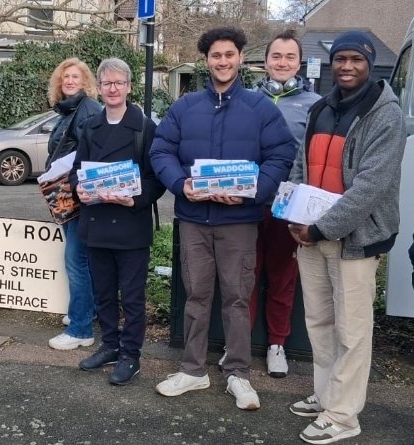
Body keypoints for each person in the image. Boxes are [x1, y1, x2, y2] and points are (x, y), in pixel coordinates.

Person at [151, 27, 296, 410]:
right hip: (195, 219)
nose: (223, 61)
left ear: (240, 57)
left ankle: (238, 373)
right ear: (206, 60)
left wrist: (254, 191)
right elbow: (160, 150)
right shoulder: (184, 108)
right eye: (216, 55)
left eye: (229, 54)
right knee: (197, 296)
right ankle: (193, 370)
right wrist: (181, 185)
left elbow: (282, 154)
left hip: (240, 221)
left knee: (236, 298)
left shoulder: (260, 108)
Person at [287, 31, 406, 444]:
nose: (347, 66)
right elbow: (301, 164)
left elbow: (370, 187)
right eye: (341, 59)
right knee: (320, 321)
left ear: (369, 63)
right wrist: (292, 212)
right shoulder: (323, 105)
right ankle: (325, 396)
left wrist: (320, 227)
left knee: (352, 331)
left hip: (354, 240)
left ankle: (343, 415)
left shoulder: (384, 114)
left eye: (356, 59)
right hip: (311, 235)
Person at [72, 58, 163, 385]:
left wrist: (135, 199)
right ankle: (109, 345)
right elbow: (75, 172)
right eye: (107, 83)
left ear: (128, 87)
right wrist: (79, 188)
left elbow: (157, 179)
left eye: (118, 83)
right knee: (105, 294)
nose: (112, 89)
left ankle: (130, 356)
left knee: (133, 297)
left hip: (130, 227)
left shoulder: (144, 127)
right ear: (99, 86)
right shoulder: (91, 127)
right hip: (96, 224)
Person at [239, 30, 321, 378]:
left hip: (286, 207)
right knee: (245, 277)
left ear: (298, 63)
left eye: (289, 57)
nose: (282, 63)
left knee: (282, 279)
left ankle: (277, 345)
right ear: (266, 61)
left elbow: (313, 157)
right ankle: (239, 343)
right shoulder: (245, 100)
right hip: (244, 204)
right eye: (276, 56)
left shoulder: (315, 105)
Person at [44, 58, 102, 350]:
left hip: (78, 195)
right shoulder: (68, 110)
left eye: (75, 76)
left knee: (76, 261)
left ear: (85, 81)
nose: (69, 81)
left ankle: (80, 330)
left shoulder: (88, 109)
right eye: (65, 76)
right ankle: (86, 312)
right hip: (68, 193)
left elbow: (91, 152)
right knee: (82, 260)